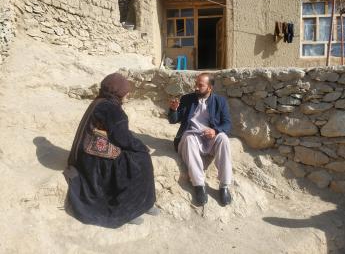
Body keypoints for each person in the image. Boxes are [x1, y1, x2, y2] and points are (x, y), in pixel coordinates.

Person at [64, 73, 157, 228]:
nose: (128, 94)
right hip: (93, 159)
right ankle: (131, 210)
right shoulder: (112, 109)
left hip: (84, 153)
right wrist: (141, 146)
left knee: (133, 155)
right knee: (139, 159)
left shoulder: (100, 101)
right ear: (118, 92)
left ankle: (144, 204)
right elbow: (123, 139)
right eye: (126, 91)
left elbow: (115, 133)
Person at [168, 73, 233, 206]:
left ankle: (224, 186)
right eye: (196, 84)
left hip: (210, 138)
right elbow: (173, 120)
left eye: (200, 85)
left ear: (209, 88)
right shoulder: (187, 99)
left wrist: (215, 131)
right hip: (190, 137)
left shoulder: (220, 101)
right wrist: (173, 110)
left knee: (224, 139)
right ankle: (199, 185)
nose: (196, 87)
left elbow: (227, 124)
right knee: (189, 137)